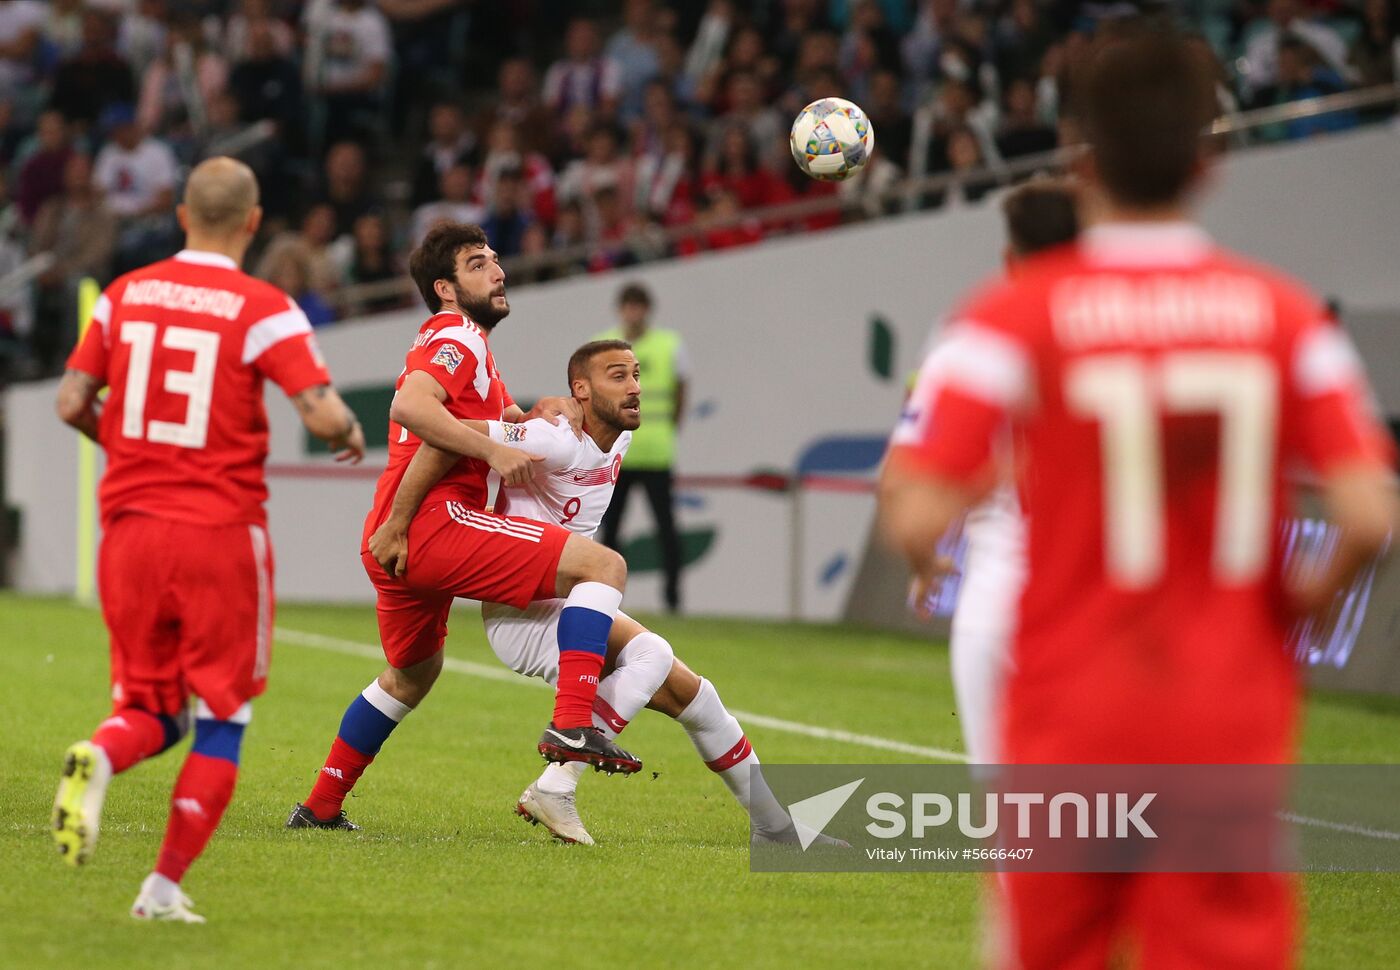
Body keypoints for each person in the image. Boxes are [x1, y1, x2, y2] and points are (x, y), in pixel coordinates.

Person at [880, 30, 1398, 969]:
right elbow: (1368, 515)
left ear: (1081, 156)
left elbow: (914, 509)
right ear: (1212, 159)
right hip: (1224, 710)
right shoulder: (1285, 317)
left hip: (1071, 697)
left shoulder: (1007, 321)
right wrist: (1294, 607)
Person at [50, 156, 366, 923]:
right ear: (254, 223)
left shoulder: (124, 295)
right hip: (218, 533)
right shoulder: (263, 305)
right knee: (224, 718)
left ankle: (100, 752)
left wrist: (124, 448)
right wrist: (349, 428)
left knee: (154, 708)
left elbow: (69, 401)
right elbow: (321, 414)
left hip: (126, 531)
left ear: (183, 216)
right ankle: (160, 888)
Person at [366, 341, 843, 847]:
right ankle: (560, 775)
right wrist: (398, 522)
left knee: (695, 696)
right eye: (618, 376)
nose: (636, 386)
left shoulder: (618, 439)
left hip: (570, 604)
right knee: (651, 649)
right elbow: (444, 439)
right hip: (522, 610)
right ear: (583, 390)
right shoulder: (551, 437)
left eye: (637, 374)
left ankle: (774, 827)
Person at [288, 224, 642, 831]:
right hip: (430, 523)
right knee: (603, 565)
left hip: (396, 533)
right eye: (478, 264)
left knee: (411, 674)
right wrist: (489, 458)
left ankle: (319, 809)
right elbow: (412, 410)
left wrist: (537, 410)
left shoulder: (475, 346)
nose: (498, 271)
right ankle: (572, 721)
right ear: (445, 289)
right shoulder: (455, 334)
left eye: (496, 259)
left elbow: (493, 417)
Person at [916, 177, 1079, 769]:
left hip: (1002, 594)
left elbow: (915, 489)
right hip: (1113, 599)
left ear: (1011, 257)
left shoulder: (971, 337)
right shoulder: (1144, 333)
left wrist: (924, 559)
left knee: (1018, 807)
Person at [597, 282, 689, 613]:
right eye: (628, 305)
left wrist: (669, 429)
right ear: (621, 309)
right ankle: (604, 598)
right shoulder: (604, 345)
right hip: (618, 453)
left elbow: (681, 392)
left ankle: (673, 599)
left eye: (638, 306)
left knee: (666, 529)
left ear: (647, 309)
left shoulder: (669, 345)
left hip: (655, 453)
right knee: (610, 530)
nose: (633, 312)